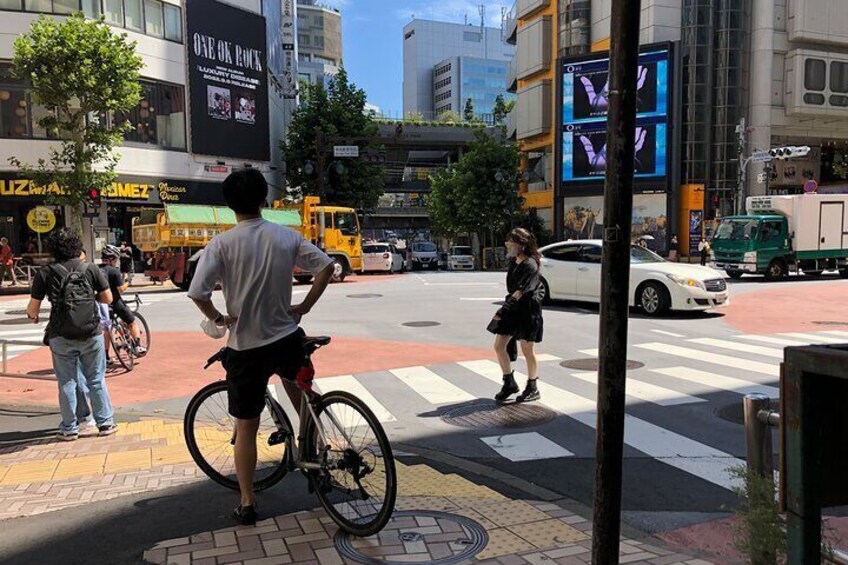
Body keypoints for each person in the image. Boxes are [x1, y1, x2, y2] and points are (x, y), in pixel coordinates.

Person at [188, 169, 335, 526]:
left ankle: (248, 501)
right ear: (263, 200)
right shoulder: (285, 236)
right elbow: (327, 267)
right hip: (286, 336)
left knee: (247, 426)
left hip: (246, 347)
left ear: (228, 205)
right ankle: (310, 443)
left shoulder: (221, 245)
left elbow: (197, 293)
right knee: (300, 389)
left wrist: (220, 317)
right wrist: (305, 307)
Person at [26, 228, 117, 441]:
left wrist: (35, 315)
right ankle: (105, 423)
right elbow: (108, 299)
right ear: (77, 246)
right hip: (91, 331)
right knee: (96, 379)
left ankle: (69, 428)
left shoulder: (45, 273)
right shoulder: (91, 268)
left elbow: (32, 309)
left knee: (67, 382)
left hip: (60, 334)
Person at [489, 228, 545, 404]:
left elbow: (521, 291)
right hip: (514, 310)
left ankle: (533, 386)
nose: (507, 244)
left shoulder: (530, 264)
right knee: (499, 346)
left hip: (527, 311)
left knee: (528, 350)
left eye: (510, 241)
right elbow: (513, 289)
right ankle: (509, 383)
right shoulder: (515, 261)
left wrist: (504, 309)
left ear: (521, 244)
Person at [100, 245, 147, 357]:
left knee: (106, 329)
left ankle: (105, 356)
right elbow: (120, 289)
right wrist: (127, 283)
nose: (117, 262)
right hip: (115, 302)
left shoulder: (96, 269)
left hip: (102, 304)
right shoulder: (114, 271)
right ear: (112, 259)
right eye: (116, 259)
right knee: (132, 322)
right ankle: (137, 346)